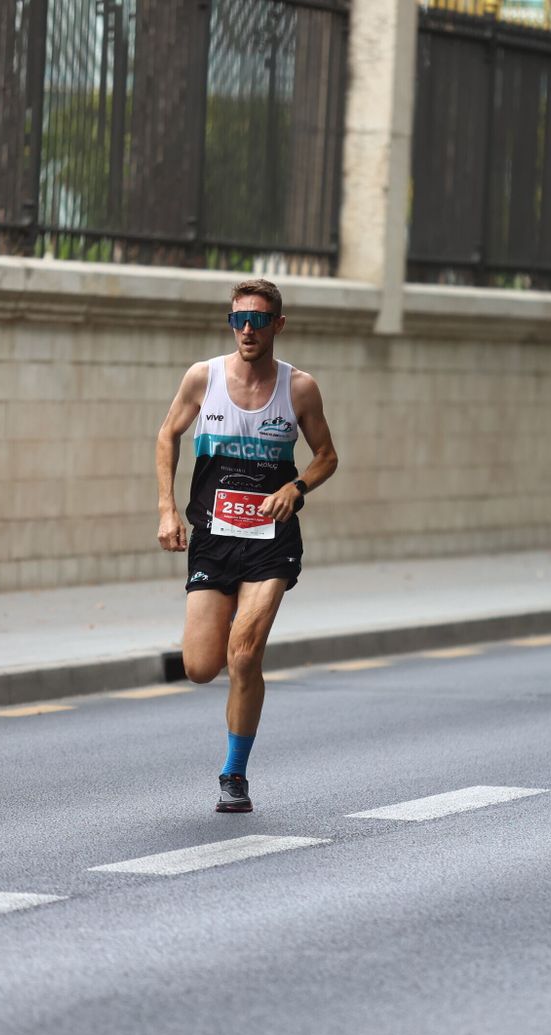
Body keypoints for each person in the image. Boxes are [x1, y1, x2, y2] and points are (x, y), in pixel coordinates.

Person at [155, 279, 339, 814]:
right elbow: (167, 434)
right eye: (239, 319)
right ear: (230, 323)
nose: (248, 330)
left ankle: (234, 775)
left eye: (259, 319)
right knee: (200, 666)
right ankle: (224, 611)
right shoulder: (203, 378)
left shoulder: (299, 388)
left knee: (244, 655)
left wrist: (295, 487)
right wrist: (167, 509)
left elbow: (327, 455)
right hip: (213, 537)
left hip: (269, 541)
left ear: (278, 325)